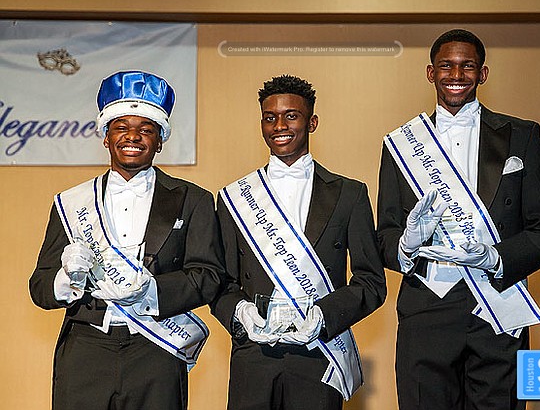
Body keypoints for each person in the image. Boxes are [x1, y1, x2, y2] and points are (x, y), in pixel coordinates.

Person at [377, 29, 540, 409]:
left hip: (498, 303)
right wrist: (407, 244)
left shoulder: (522, 136)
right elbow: (384, 237)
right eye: (446, 66)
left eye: (468, 66)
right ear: (431, 73)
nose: (457, 75)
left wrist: (495, 257)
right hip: (426, 309)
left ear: (483, 73)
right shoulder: (401, 144)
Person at [29, 70, 226, 410]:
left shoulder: (193, 199)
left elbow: (208, 276)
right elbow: (39, 287)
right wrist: (67, 278)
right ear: (106, 137)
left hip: (156, 349)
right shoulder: (72, 202)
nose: (132, 136)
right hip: (86, 348)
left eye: (146, 129)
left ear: (160, 140)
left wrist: (152, 291)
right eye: (121, 127)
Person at [213, 74, 386, 409]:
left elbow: (371, 282)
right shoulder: (235, 198)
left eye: (291, 116)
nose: (280, 126)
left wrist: (324, 316)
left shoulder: (349, 194)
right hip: (254, 356)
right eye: (270, 117)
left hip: (319, 354)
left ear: (312, 122)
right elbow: (220, 281)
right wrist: (241, 312)